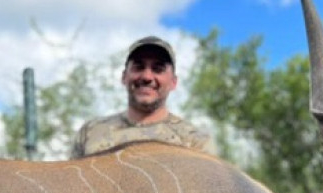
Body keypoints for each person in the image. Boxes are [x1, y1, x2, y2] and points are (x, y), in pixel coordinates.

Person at [70, 36, 215, 158]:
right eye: (139, 67)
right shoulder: (90, 132)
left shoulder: (195, 142)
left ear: (173, 82)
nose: (147, 76)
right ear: (124, 77)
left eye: (158, 69)